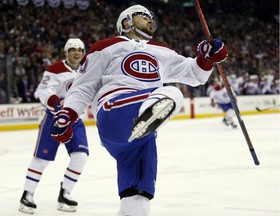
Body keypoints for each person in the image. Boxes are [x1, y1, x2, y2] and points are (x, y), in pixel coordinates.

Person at [49, 5, 228, 216]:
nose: (151, 19)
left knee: (137, 203)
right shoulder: (106, 46)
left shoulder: (161, 51)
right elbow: (83, 86)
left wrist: (207, 57)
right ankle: (150, 109)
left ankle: (148, 114)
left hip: (141, 139)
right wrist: (67, 114)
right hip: (114, 110)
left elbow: (194, 74)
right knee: (172, 94)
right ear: (126, 22)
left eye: (152, 17)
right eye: (143, 16)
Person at [19, 38, 88, 214]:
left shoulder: (88, 70)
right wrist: (58, 102)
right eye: (73, 49)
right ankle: (27, 195)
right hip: (54, 119)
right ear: (67, 52)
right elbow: (41, 91)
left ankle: (65, 193)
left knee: (80, 156)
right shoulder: (55, 69)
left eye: (80, 49)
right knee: (41, 160)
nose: (77, 53)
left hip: (76, 120)